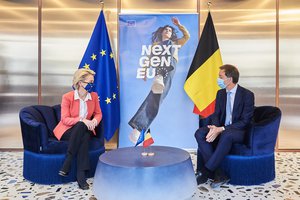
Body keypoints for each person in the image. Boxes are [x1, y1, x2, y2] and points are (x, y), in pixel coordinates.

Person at [128, 17, 190, 142]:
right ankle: (139, 127)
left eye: (170, 30)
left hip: (170, 68)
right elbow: (148, 59)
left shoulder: (175, 43)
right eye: (166, 29)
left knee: (157, 96)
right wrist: (145, 70)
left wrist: (179, 24)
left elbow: (187, 36)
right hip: (158, 67)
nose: (168, 31)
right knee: (156, 97)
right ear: (162, 32)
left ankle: (139, 126)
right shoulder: (155, 46)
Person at [194, 64, 254, 188]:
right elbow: (217, 114)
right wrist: (214, 128)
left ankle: (205, 171)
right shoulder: (220, 93)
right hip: (221, 128)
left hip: (238, 131)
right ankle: (219, 174)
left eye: (220, 76)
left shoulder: (247, 95)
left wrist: (221, 129)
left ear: (230, 79)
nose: (218, 79)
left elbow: (245, 121)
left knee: (227, 134)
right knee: (199, 133)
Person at [53, 68, 102, 190]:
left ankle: (68, 162)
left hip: (86, 129)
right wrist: (82, 120)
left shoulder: (94, 96)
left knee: (84, 132)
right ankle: (81, 175)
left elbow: (98, 113)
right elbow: (64, 119)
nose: (92, 84)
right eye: (90, 82)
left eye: (93, 81)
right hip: (67, 130)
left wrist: (94, 121)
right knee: (82, 128)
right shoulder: (67, 97)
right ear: (80, 83)